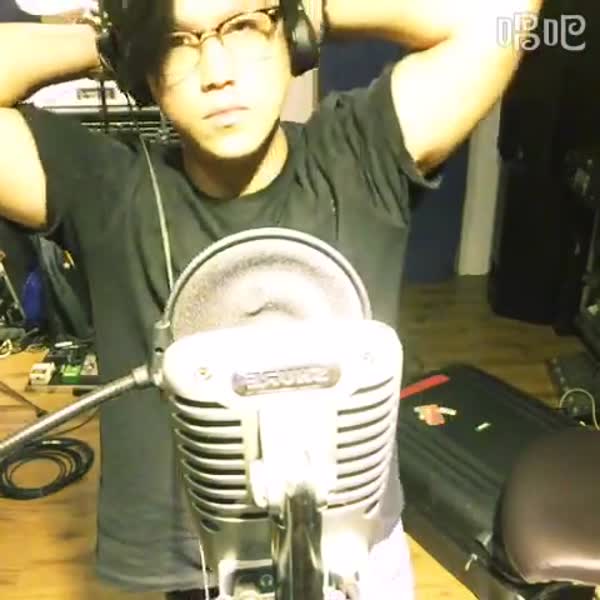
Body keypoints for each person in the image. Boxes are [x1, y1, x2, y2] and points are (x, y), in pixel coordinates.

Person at [0, 0, 542, 598]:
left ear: (294, 39)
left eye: (243, 26)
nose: (217, 72)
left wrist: (315, 9)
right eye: (179, 43)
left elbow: (503, 14)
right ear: (147, 71)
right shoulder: (104, 189)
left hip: (357, 556)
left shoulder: (362, 152)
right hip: (189, 571)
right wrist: (121, 35)